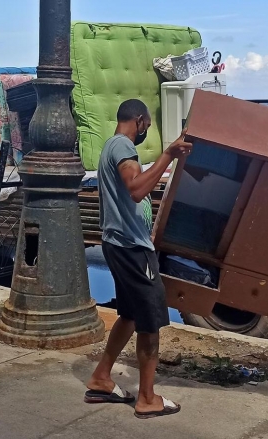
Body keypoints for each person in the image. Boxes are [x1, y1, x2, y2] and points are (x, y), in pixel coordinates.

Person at [85, 99, 192, 419]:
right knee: (149, 323)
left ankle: (101, 378)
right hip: (131, 250)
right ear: (140, 120)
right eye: (147, 125)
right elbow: (135, 188)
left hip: (122, 245)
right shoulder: (122, 146)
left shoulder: (113, 147)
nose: (147, 130)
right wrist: (168, 155)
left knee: (130, 315)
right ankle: (147, 398)